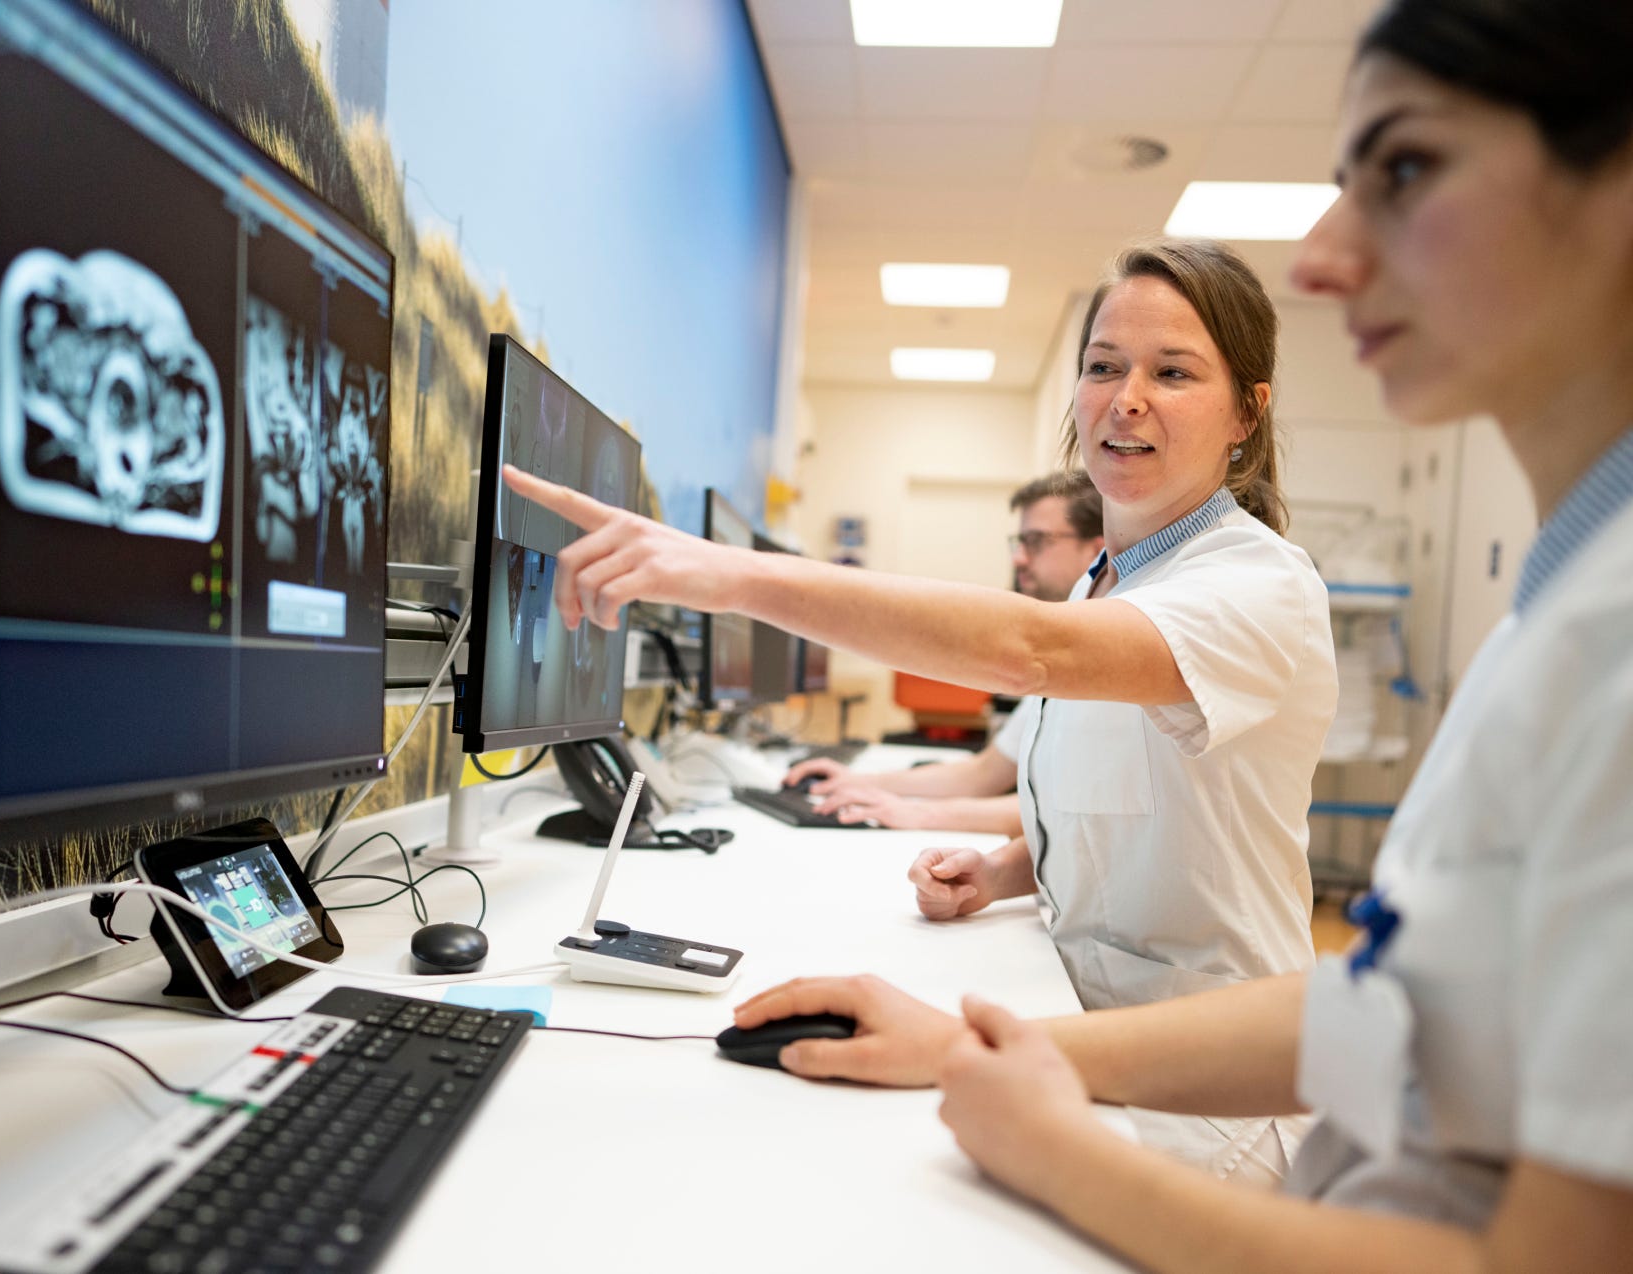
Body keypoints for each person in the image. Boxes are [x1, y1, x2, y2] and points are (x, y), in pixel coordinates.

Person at [741, 1, 1633, 1265]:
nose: (1322, 257)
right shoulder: (1565, 610)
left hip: (1211, 1130)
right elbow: (1405, 1014)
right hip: (1202, 1095)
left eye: (1408, 168)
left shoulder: (1546, 633)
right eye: (1105, 366)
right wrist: (989, 1034)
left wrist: (728, 575)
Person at [506, 237, 1339, 1180]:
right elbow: (1155, 816)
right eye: (1104, 367)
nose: (1127, 397)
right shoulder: (1102, 588)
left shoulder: (1261, 587)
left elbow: (1032, 649)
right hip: (1074, 1033)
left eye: (1173, 372)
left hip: (1204, 1101)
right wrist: (1006, 871)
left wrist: (735, 577)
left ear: (1247, 412)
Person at [783, 470, 1105, 835]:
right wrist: (862, 781)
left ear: (1097, 552)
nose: (1018, 559)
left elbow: (1077, 812)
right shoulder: (1059, 664)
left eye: (1036, 541)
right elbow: (982, 774)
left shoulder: (1113, 667)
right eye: (1018, 542)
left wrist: (919, 815)